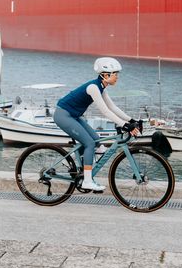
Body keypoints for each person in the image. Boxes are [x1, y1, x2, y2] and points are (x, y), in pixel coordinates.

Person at [54, 57, 140, 193]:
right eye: (115, 74)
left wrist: (131, 120)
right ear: (105, 75)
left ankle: (74, 164)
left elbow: (112, 107)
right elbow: (105, 111)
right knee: (89, 144)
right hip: (63, 115)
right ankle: (87, 181)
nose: (117, 77)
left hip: (74, 116)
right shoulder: (94, 87)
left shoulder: (102, 88)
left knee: (99, 144)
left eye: (117, 74)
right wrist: (124, 125)